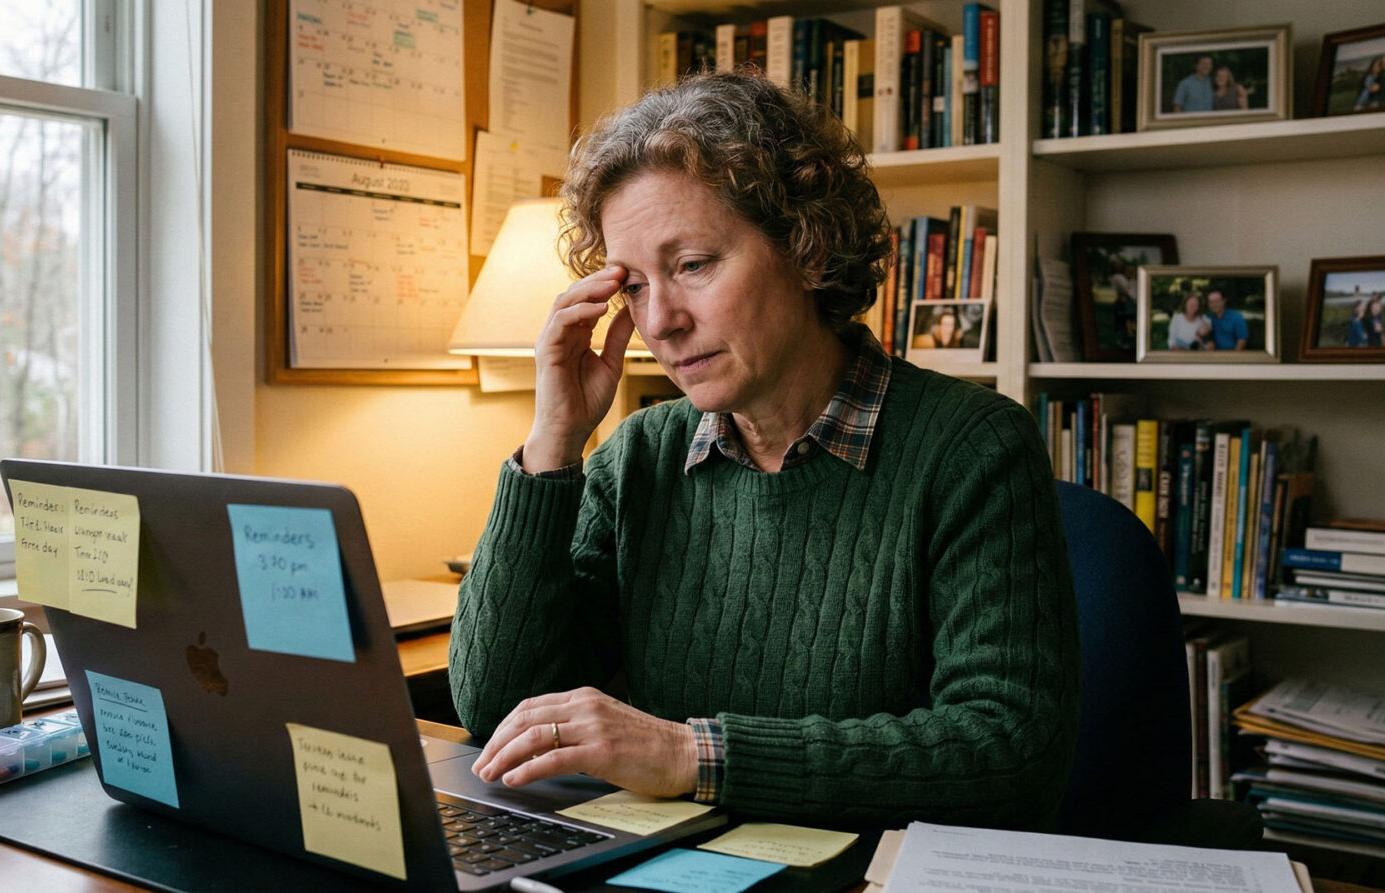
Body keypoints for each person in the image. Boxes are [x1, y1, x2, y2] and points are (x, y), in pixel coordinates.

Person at [449, 72, 1080, 830]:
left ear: (807, 248)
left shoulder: (973, 448)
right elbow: (495, 709)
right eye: (636, 287)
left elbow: (1008, 750)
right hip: (670, 870)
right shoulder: (639, 456)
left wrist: (694, 755)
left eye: (692, 265)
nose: (664, 322)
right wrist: (551, 442)